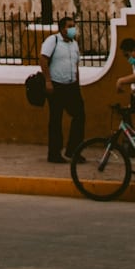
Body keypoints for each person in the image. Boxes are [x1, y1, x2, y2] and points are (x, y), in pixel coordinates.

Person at [40, 15, 84, 163]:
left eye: (73, 26)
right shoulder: (53, 41)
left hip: (71, 86)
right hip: (57, 85)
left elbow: (76, 65)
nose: (72, 29)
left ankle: (73, 149)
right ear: (62, 28)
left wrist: (77, 83)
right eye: (69, 26)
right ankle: (54, 153)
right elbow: (43, 59)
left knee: (80, 116)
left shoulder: (74, 44)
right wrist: (48, 81)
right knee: (56, 119)